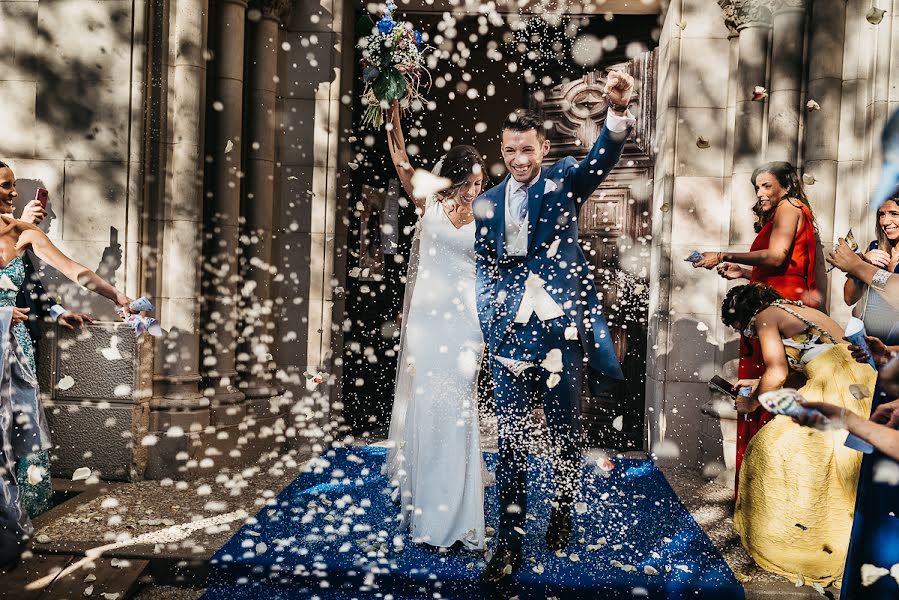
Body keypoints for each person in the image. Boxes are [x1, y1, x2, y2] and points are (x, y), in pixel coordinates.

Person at [473, 70, 633, 584]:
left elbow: (602, 159)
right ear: (502, 150)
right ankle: (509, 542)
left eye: (527, 150)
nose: (519, 161)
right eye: (510, 151)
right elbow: (482, 268)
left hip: (558, 333)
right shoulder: (487, 202)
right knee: (513, 441)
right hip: (510, 337)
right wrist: (490, 324)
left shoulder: (565, 177)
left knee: (565, 433)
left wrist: (616, 112)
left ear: (543, 147)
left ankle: (563, 505)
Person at [0, 161, 134, 559]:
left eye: (11, 185)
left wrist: (117, 296)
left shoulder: (23, 232)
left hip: (11, 350)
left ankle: (8, 532)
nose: (12, 192)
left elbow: (74, 270)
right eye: (4, 186)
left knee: (10, 436)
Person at [381, 102, 492, 550]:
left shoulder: (487, 215)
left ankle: (463, 518)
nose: (473, 191)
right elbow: (401, 158)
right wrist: (391, 106)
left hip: (467, 327)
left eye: (480, 184)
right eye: (468, 183)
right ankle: (429, 513)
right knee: (428, 409)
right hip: (428, 326)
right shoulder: (428, 200)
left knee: (459, 409)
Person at [720, 283, 875, 586]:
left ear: (748, 316)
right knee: (845, 464)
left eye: (746, 331)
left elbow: (777, 371)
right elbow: (813, 355)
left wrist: (752, 402)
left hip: (835, 389)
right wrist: (756, 379)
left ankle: (795, 545)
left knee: (769, 448)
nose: (751, 336)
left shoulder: (765, 316)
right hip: (862, 381)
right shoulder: (800, 309)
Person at [693, 162, 819, 489]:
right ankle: (753, 496)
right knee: (760, 388)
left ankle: (763, 496)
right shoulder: (784, 211)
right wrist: (745, 273)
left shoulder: (790, 206)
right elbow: (781, 268)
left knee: (768, 392)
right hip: (773, 306)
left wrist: (721, 254)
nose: (760, 193)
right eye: (756, 188)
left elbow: (776, 256)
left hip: (778, 315)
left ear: (787, 185)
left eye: (766, 186)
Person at [843, 194, 899, 348]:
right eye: (881, 214)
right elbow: (849, 299)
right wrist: (862, 263)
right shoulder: (875, 247)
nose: (885, 222)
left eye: (894, 214)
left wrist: (867, 271)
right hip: (871, 338)